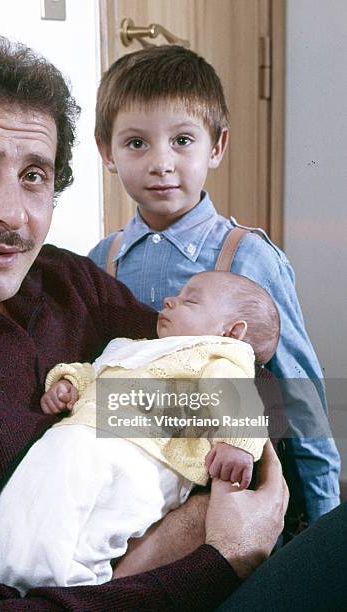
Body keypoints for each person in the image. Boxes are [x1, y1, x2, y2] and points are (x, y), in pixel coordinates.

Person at [0, 33, 290, 611]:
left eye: (34, 176)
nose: (13, 215)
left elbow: (251, 389)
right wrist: (214, 551)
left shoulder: (63, 279)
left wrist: (121, 413)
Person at [88, 44, 340, 526]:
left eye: (182, 140)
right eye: (136, 143)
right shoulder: (103, 260)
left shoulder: (247, 256)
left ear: (217, 146)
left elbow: (299, 390)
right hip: (125, 487)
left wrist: (325, 519)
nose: (161, 163)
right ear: (108, 151)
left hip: (220, 483)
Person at [0, 270, 278, 594]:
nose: (169, 300)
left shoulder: (221, 356)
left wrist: (237, 444)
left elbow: (239, 399)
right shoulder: (133, 346)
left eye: (190, 300)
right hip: (74, 437)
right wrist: (69, 383)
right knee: (31, 504)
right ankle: (2, 576)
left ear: (231, 331)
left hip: (146, 457)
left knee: (97, 528)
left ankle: (67, 588)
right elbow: (95, 370)